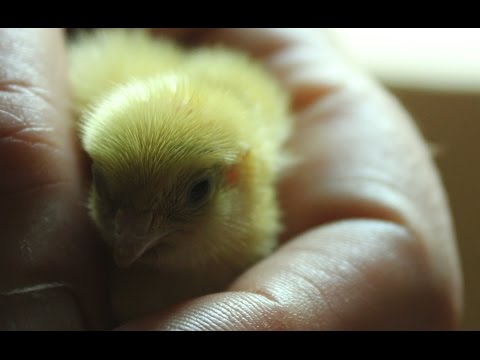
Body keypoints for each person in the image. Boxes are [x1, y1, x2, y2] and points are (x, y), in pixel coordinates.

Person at [0, 28, 462, 330]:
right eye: (105, 185)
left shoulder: (259, 139)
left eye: (197, 193)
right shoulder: (84, 94)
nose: (128, 241)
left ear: (239, 175)